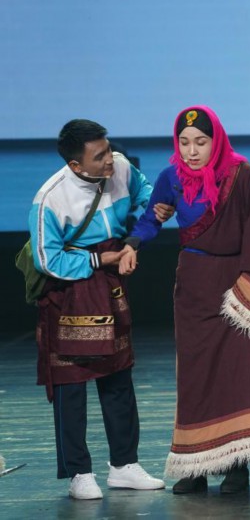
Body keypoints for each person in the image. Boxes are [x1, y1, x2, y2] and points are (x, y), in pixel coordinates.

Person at [122, 106, 250, 494]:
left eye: (201, 142)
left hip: (235, 285)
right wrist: (132, 243)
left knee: (237, 374)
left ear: (216, 141)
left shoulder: (240, 175)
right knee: (196, 376)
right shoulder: (171, 178)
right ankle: (195, 466)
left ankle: (237, 467)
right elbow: (150, 219)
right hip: (194, 286)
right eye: (184, 142)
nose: (192, 151)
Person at [28, 119, 167, 499]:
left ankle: (124, 464)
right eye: (100, 155)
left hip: (110, 282)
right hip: (70, 289)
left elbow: (148, 197)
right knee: (71, 383)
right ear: (76, 164)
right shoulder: (50, 198)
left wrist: (133, 241)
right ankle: (79, 472)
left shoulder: (121, 167)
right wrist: (99, 259)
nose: (110, 159)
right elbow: (47, 259)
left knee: (118, 373)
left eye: (108, 149)